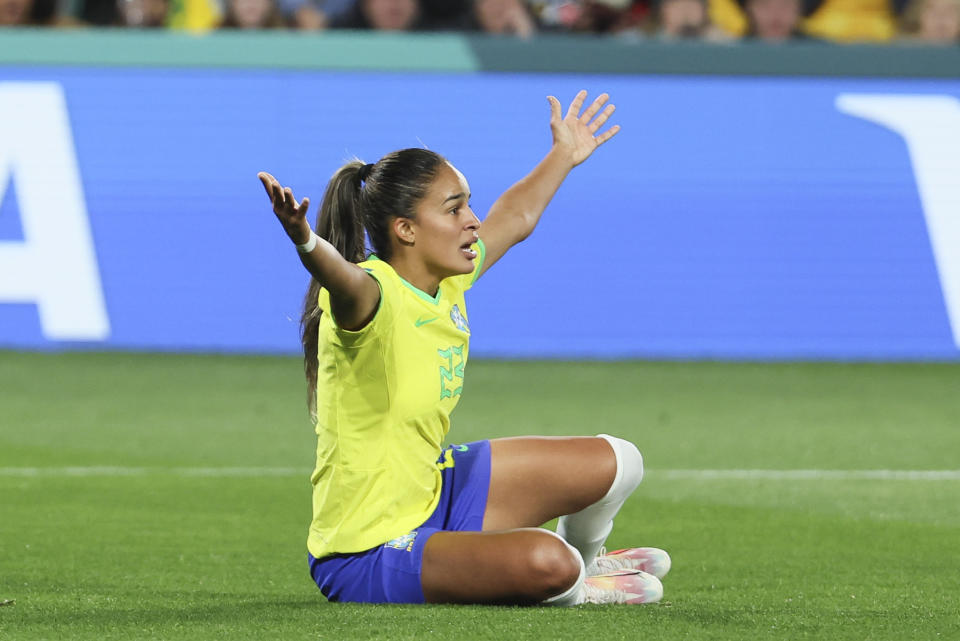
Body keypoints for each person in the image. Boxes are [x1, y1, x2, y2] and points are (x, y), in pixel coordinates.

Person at [257, 91, 671, 605]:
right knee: (550, 564)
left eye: (469, 203)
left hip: (435, 492)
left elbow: (515, 218)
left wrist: (564, 153)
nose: (473, 219)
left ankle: (586, 561)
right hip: (368, 549)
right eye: (455, 209)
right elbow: (340, 281)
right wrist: (304, 242)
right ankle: (579, 583)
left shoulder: (448, 279)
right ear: (405, 230)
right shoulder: (371, 292)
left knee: (619, 460)